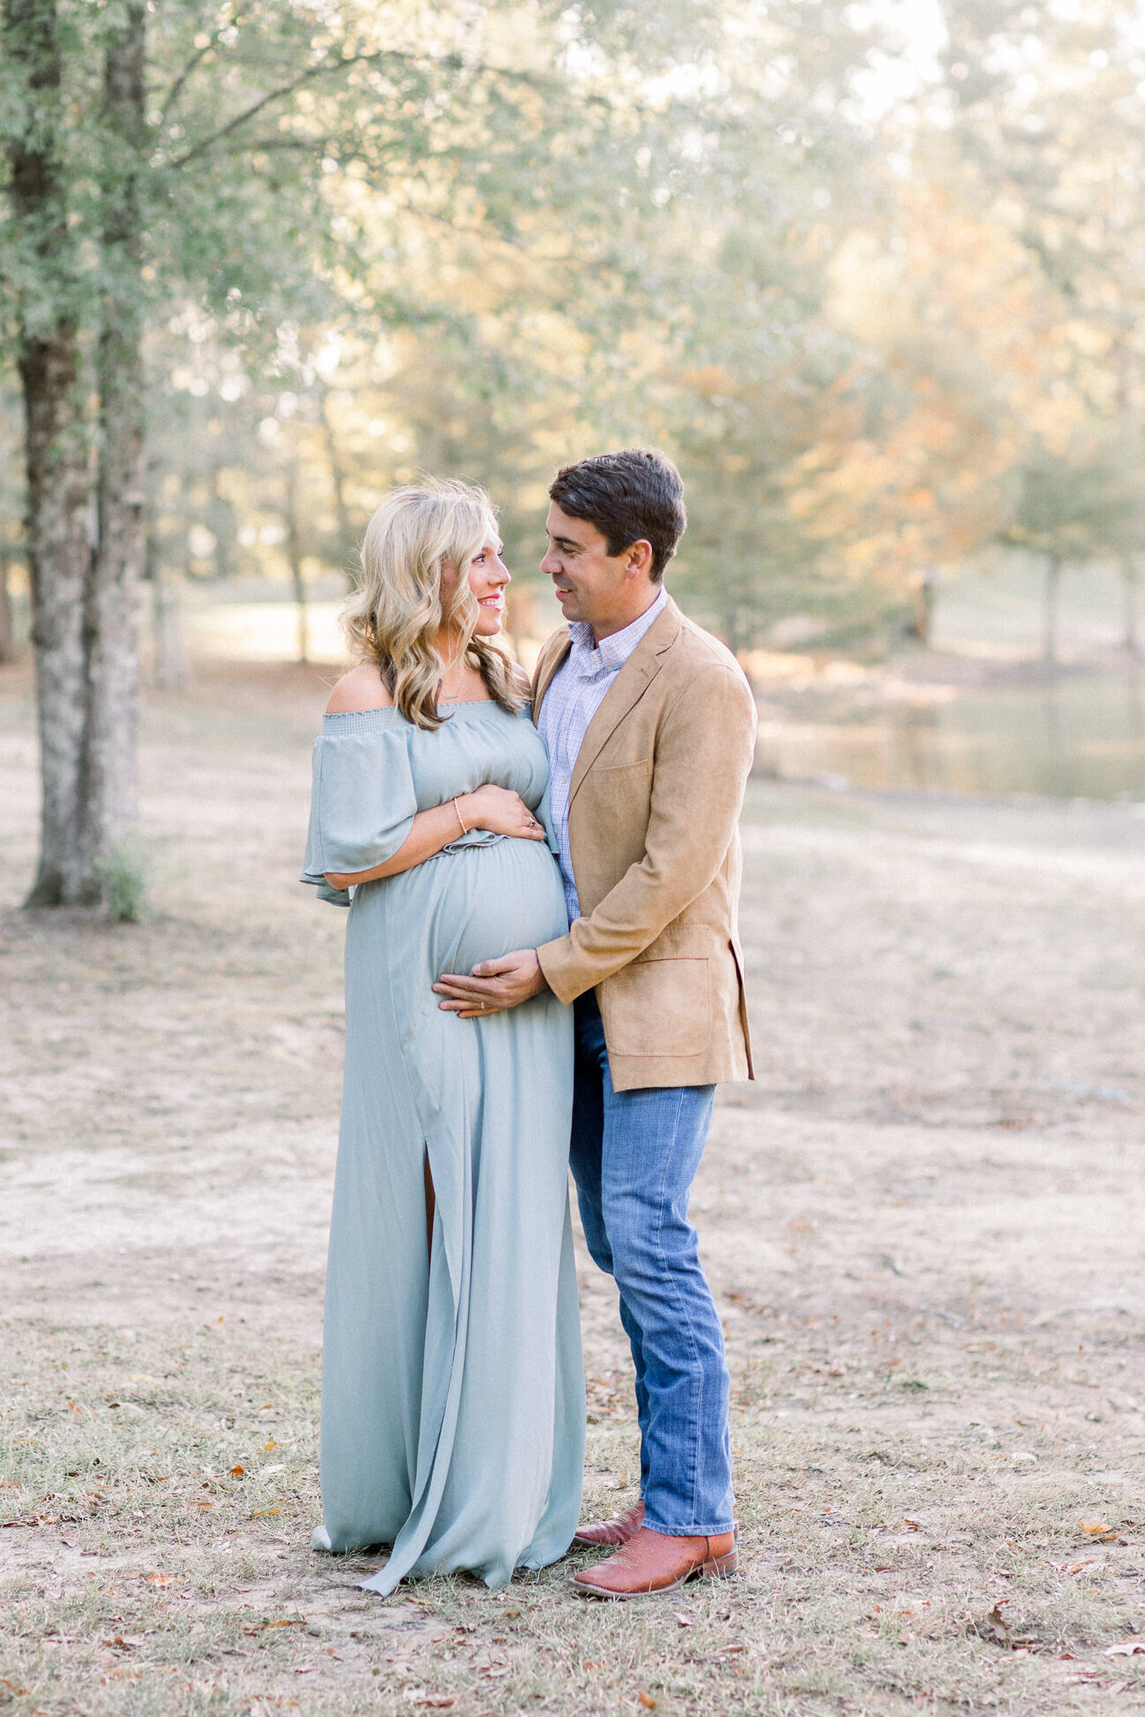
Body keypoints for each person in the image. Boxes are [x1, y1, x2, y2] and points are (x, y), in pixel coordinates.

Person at [435, 448, 757, 1600]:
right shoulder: (560, 656)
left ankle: (695, 1515)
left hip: (654, 1005)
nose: (547, 567)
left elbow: (675, 871)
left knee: (651, 1242)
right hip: (563, 1006)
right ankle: (667, 1492)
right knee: (621, 1249)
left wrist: (550, 963)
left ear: (639, 557)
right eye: (549, 543)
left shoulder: (704, 679)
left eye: (570, 550)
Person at [300, 479, 584, 1595]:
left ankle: (501, 1481)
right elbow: (347, 854)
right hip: (427, 987)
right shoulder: (367, 691)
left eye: (506, 558)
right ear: (426, 571)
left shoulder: (511, 680)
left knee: (511, 1213)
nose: (507, 579)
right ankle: (416, 1482)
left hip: (531, 1006)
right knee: (434, 1209)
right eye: (482, 561)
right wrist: (470, 813)